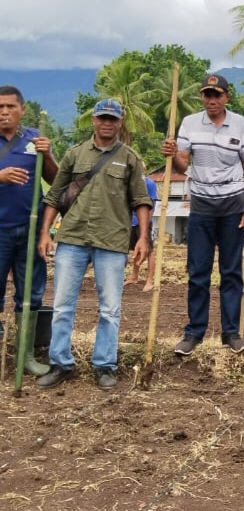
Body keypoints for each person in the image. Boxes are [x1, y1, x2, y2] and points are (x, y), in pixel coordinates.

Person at [35, 99, 152, 389]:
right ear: (94, 121)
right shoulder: (75, 155)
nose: (107, 123)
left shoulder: (130, 159)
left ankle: (104, 365)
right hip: (72, 238)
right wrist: (45, 233)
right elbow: (54, 195)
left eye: (113, 119)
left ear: (120, 122)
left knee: (110, 309)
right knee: (62, 306)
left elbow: (141, 201)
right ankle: (61, 363)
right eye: (102, 118)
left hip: (111, 241)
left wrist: (145, 238)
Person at [162, 74, 244, 355]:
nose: (211, 101)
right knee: (198, 272)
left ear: (227, 97)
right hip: (201, 204)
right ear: (202, 97)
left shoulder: (238, 123)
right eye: (207, 95)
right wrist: (172, 153)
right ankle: (194, 333)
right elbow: (182, 164)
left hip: (232, 204)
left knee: (231, 272)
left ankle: (231, 334)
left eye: (217, 95)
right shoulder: (190, 123)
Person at [0, 84, 59, 376]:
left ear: (22, 110)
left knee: (30, 294)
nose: (4, 112)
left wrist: (46, 155)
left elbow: (55, 179)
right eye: (0, 107)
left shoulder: (34, 138)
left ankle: (25, 357)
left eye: (10, 107)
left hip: (31, 229)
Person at [125, 175, 159, 291]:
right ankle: (134, 276)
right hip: (129, 221)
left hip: (143, 222)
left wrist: (146, 223)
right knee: (133, 250)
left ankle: (149, 280)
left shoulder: (149, 183)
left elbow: (151, 204)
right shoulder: (129, 180)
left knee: (149, 250)